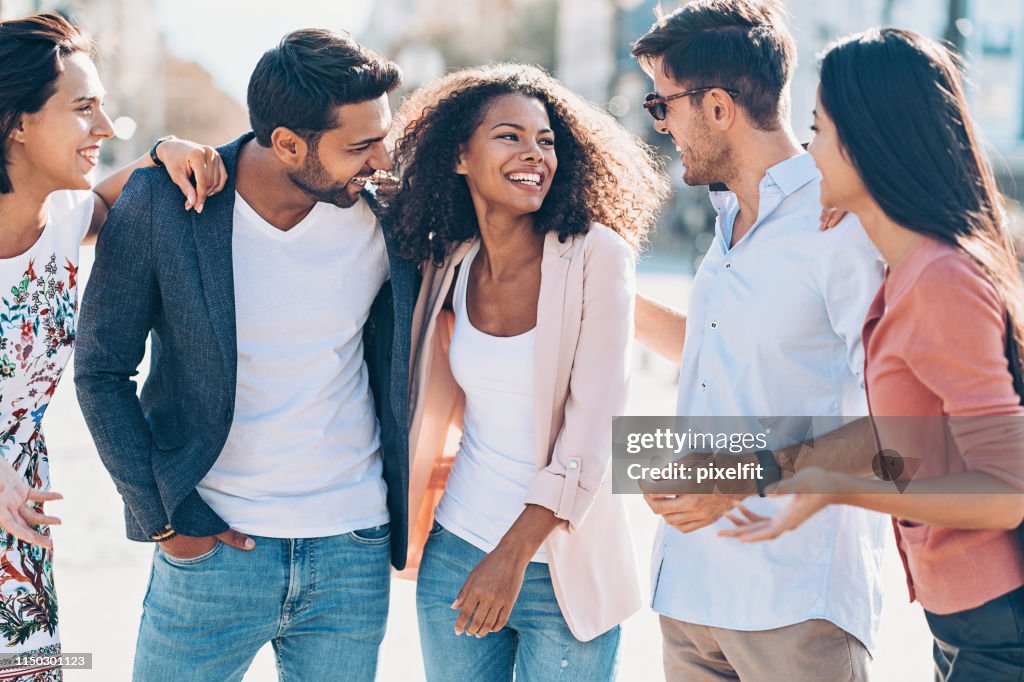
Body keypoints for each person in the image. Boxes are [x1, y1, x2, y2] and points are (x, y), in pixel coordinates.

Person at [74, 29, 417, 681]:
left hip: (353, 549)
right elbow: (100, 370)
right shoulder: (166, 205)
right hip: (210, 550)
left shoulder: (389, 217)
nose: (380, 159)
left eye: (383, 136)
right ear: (288, 142)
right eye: (359, 146)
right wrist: (164, 519)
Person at [720, 28, 1024, 681]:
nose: (809, 150)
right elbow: (911, 435)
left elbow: (1006, 493)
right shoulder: (906, 271)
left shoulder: (941, 281)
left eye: (819, 131)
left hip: (999, 632)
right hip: (965, 626)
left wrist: (838, 489)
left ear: (866, 144)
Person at [628, 1, 889, 679]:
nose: (660, 126)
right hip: (689, 593)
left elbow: (900, 423)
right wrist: (604, 297)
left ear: (717, 108)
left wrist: (739, 476)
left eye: (663, 105)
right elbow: (734, 354)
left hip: (794, 603)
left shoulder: (841, 226)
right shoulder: (727, 223)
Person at [387, 63, 668, 680]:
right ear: (459, 156)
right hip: (456, 552)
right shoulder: (447, 261)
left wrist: (510, 556)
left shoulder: (597, 256)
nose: (533, 154)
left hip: (561, 571)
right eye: (509, 136)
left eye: (545, 140)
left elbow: (596, 429)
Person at [0, 13, 224, 680]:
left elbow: (108, 196)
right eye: (83, 108)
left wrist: (164, 150)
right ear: (15, 121)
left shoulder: (64, 219)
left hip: (20, 529)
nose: (105, 126)